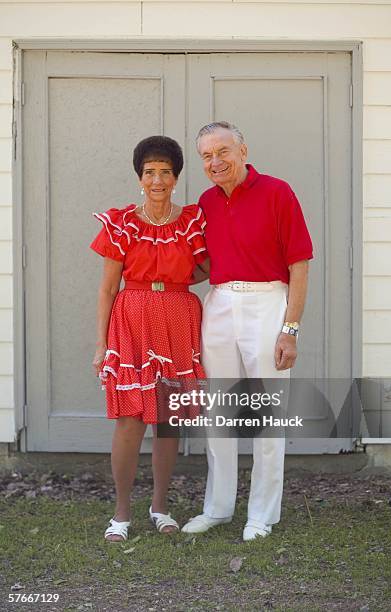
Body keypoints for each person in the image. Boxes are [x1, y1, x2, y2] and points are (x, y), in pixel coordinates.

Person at [182, 121, 313, 541]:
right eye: (206, 156)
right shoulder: (205, 201)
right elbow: (203, 264)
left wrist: (289, 328)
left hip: (267, 302)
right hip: (219, 303)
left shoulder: (277, 192)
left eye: (223, 152)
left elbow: (299, 264)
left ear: (242, 151)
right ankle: (218, 508)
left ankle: (262, 514)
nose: (215, 162)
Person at [90, 136, 207, 542]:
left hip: (177, 317)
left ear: (176, 177)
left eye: (165, 172)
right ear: (140, 177)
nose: (157, 180)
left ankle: (160, 506)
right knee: (129, 420)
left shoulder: (191, 221)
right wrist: (101, 344)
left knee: (168, 420)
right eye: (149, 172)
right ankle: (121, 512)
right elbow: (107, 288)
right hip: (132, 320)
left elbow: (210, 266)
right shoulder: (122, 223)